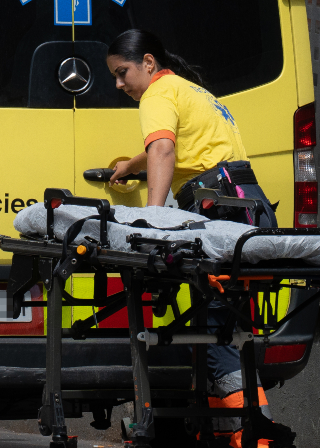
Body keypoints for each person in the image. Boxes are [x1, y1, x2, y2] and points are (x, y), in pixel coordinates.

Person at [105, 29, 293, 448]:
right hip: (245, 204)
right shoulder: (188, 90)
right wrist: (130, 164)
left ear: (148, 64)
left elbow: (165, 150)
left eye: (122, 73)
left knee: (217, 327)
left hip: (219, 205)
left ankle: (252, 433)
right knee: (225, 323)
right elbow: (178, 145)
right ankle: (229, 430)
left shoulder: (156, 96)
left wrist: (153, 218)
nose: (119, 84)